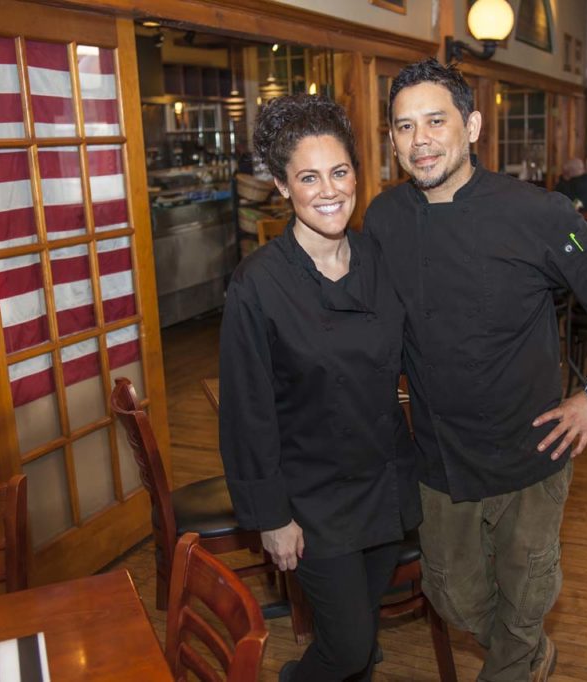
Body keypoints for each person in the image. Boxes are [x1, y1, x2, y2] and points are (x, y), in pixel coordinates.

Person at [364, 58, 587, 682]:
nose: (420, 140)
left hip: (531, 448)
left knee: (525, 596)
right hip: (440, 452)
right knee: (451, 594)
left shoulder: (538, 211)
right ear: (393, 140)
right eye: (405, 127)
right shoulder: (383, 218)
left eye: (435, 121)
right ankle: (529, 655)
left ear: (472, 126)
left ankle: (517, 662)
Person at [218, 94, 421, 682]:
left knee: (360, 636)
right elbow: (247, 413)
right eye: (308, 177)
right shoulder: (258, 284)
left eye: (340, 171)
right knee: (350, 648)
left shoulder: (379, 257)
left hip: (384, 482)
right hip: (312, 500)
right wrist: (271, 517)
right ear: (283, 187)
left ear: (357, 174)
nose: (329, 191)